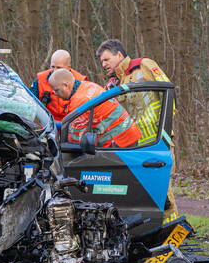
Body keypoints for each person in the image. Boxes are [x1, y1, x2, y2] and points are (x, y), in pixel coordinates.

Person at [97, 38, 178, 221]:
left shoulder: (143, 66)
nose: (104, 64)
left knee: (163, 196)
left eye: (106, 59)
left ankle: (171, 238)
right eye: (102, 61)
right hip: (133, 147)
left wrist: (165, 132)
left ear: (119, 54)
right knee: (143, 196)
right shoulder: (113, 85)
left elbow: (169, 93)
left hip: (156, 142)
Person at [47, 68, 140, 149]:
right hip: (130, 134)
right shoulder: (87, 85)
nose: (54, 93)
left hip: (120, 143)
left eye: (56, 90)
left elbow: (75, 140)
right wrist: (61, 125)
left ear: (66, 85)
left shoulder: (79, 101)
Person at [31, 50, 88, 122]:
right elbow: (30, 103)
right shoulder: (40, 79)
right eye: (53, 67)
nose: (55, 71)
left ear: (68, 68)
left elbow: (86, 112)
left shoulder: (81, 81)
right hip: (49, 124)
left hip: (72, 124)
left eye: (59, 67)